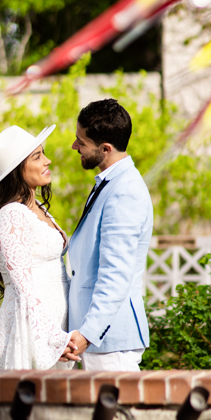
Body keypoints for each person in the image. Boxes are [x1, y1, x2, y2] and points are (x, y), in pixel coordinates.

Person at [62, 98, 153, 371]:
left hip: (110, 343)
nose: (74, 146)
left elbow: (115, 274)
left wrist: (87, 333)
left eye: (81, 141)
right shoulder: (110, 182)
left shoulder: (125, 192)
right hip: (102, 341)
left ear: (105, 149)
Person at [0, 124, 74, 370]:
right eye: (37, 156)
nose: (48, 160)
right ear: (16, 169)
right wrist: (53, 339)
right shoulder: (11, 217)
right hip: (29, 334)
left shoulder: (38, 208)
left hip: (54, 328)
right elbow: (25, 290)